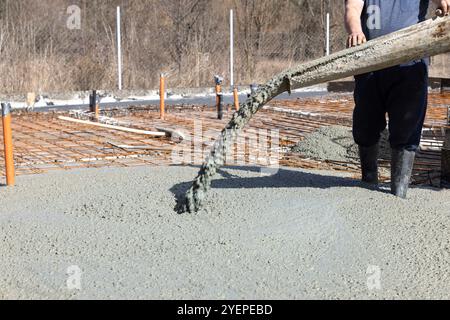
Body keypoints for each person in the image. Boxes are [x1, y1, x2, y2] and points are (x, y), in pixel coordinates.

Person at [344, 0, 450, 198]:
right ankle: (368, 180)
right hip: (369, 61)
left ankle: (399, 192)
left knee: (407, 127)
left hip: (409, 64)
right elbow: (352, 8)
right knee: (366, 123)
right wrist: (355, 30)